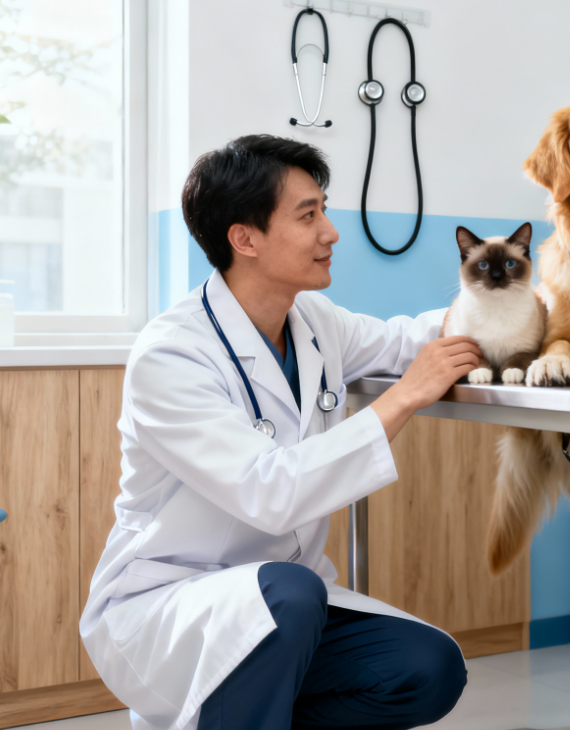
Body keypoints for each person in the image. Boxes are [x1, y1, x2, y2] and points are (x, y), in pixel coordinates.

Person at [80, 135, 481, 730]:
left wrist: (562, 292)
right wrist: (403, 399)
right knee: (288, 596)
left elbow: (408, 340)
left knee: (428, 666)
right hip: (170, 608)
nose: (331, 233)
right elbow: (269, 492)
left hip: (290, 607)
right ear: (244, 238)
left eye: (324, 209)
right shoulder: (172, 354)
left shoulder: (315, 322)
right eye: (308, 214)